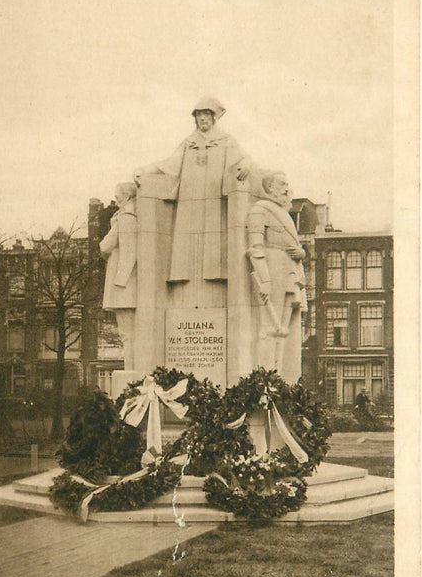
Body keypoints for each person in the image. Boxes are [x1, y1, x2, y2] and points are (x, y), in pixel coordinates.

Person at [133, 97, 255, 287]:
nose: (203, 118)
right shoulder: (188, 143)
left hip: (215, 200)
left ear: (214, 117)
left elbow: (243, 159)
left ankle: (215, 273)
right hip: (188, 202)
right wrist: (144, 170)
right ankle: (182, 274)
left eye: (206, 114)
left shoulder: (226, 141)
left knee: (214, 241)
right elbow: (168, 164)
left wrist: (246, 164)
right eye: (199, 115)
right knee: (185, 242)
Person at [247, 170, 307, 383]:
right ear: (269, 187)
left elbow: (296, 247)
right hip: (272, 269)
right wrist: (264, 279)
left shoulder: (284, 213)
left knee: (284, 330)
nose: (286, 188)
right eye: (282, 183)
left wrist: (302, 253)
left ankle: (280, 380)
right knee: (269, 328)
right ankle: (265, 379)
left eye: (287, 183)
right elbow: (255, 247)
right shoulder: (259, 209)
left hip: (289, 272)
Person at [99, 182, 137, 370]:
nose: (116, 199)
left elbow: (106, 246)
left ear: (128, 197)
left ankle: (131, 371)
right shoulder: (126, 216)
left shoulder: (126, 217)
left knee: (127, 333)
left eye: (118, 196)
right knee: (128, 333)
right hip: (126, 284)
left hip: (124, 286)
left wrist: (120, 282)